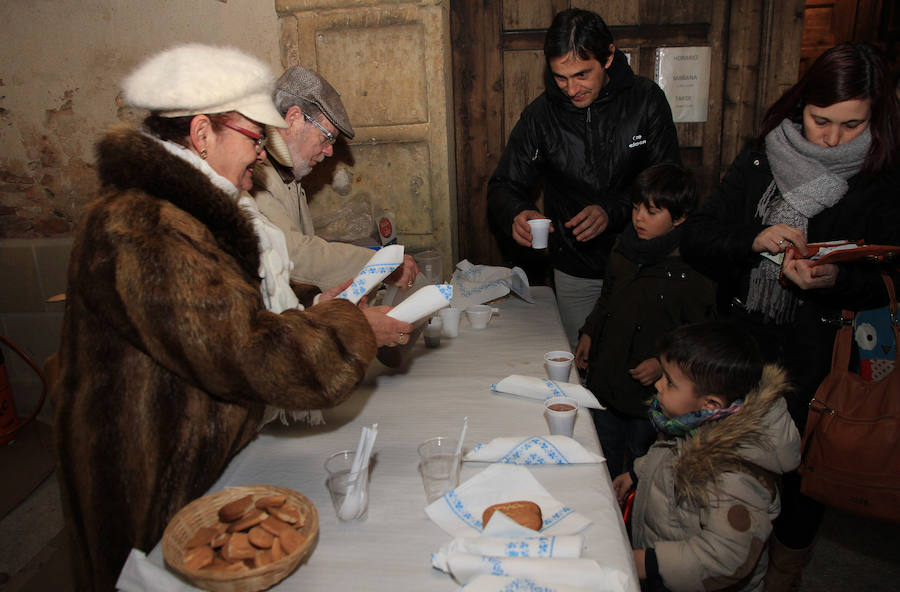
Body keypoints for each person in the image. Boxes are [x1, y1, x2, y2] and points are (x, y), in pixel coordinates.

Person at [51, 44, 411, 591]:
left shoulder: (188, 212)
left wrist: (319, 310)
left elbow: (236, 319)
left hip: (192, 461)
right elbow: (249, 351)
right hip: (147, 480)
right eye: (251, 137)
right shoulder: (144, 227)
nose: (263, 155)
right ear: (201, 134)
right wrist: (355, 327)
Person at [680, 43, 900, 590]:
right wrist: (752, 240)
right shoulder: (761, 156)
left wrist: (837, 280)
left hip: (820, 352)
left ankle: (785, 569)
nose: (831, 138)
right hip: (743, 342)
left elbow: (893, 273)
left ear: (875, 114)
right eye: (821, 120)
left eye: (853, 124)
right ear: (800, 105)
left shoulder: (883, 173)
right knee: (725, 454)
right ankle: (718, 553)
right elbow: (698, 237)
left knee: (802, 471)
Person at [487, 8, 681, 350]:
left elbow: (669, 183)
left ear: (608, 57)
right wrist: (516, 212)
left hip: (643, 262)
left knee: (638, 361)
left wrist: (612, 209)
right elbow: (504, 185)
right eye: (560, 77)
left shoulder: (646, 100)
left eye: (581, 75)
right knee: (580, 360)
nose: (571, 89)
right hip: (575, 266)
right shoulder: (540, 115)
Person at [614, 321, 800, 591]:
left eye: (669, 381)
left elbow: (724, 557)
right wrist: (636, 473)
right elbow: (667, 452)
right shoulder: (692, 420)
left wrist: (649, 563)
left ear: (710, 404)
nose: (658, 385)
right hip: (666, 563)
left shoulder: (734, 475)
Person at [574, 163, 716, 479]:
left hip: (649, 399)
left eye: (652, 212)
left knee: (641, 466)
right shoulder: (623, 247)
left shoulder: (692, 270)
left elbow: (697, 337)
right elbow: (607, 297)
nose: (639, 217)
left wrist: (663, 364)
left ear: (679, 217)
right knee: (603, 457)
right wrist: (589, 333)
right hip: (607, 379)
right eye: (637, 207)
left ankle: (634, 517)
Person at [251, 65, 418, 292]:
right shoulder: (257, 176)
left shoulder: (288, 175)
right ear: (293, 119)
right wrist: (381, 264)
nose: (329, 151)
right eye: (326, 137)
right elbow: (296, 256)